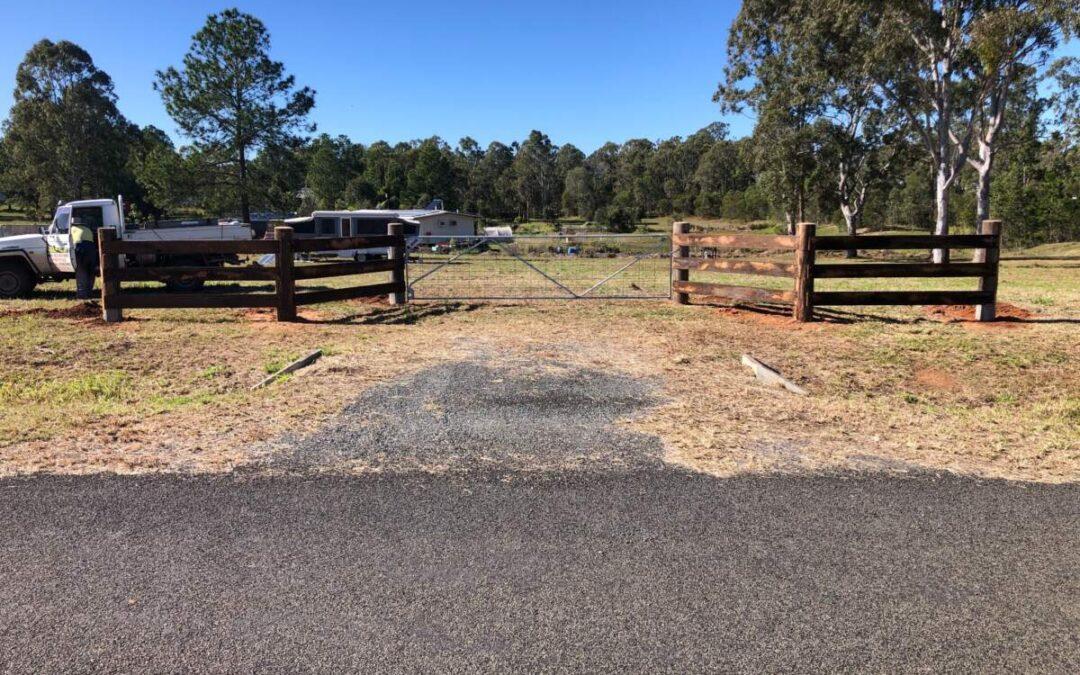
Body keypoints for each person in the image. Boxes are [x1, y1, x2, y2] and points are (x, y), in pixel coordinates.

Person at [70, 217, 97, 300]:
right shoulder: (88, 229)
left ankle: (82, 294)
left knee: (81, 271)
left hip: (81, 248)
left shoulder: (72, 228)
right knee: (91, 272)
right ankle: (89, 292)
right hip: (91, 249)